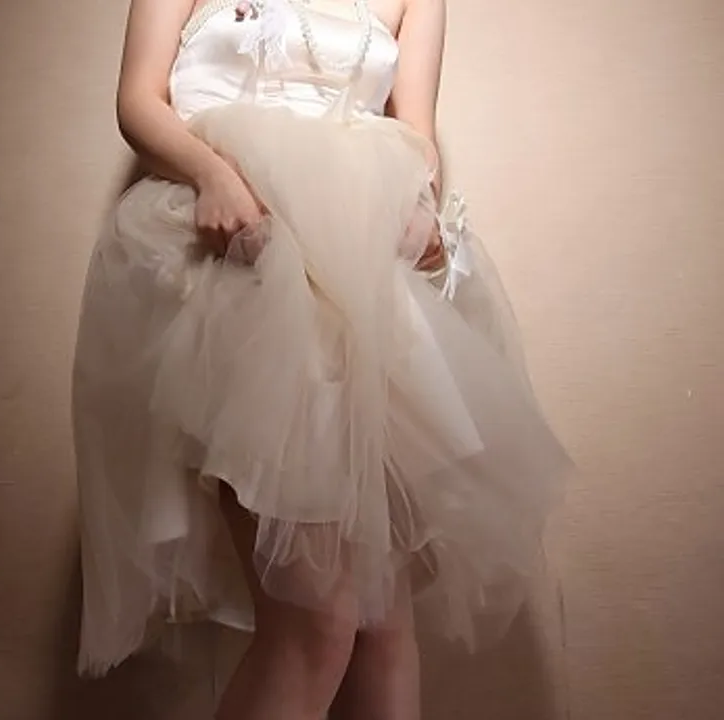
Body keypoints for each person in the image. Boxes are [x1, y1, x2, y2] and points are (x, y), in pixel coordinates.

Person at [72, 0, 572, 718]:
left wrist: (420, 205)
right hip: (238, 269)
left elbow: (416, 134)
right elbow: (137, 101)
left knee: (381, 625)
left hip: (359, 283)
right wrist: (212, 174)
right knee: (316, 623)